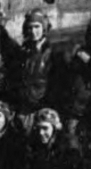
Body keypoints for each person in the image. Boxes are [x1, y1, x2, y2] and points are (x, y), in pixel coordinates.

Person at [12, 8, 59, 136]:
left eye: (37, 27)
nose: (33, 31)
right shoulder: (22, 53)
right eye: (30, 27)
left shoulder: (54, 53)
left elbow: (57, 85)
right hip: (23, 110)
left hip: (43, 110)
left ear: (44, 28)